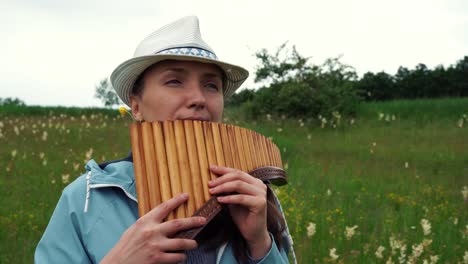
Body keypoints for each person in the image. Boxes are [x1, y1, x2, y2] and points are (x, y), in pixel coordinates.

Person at [35, 16, 296, 264]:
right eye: (174, 81)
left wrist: (260, 244)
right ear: (136, 107)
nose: (199, 98)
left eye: (211, 85)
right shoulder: (85, 199)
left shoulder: (255, 195)